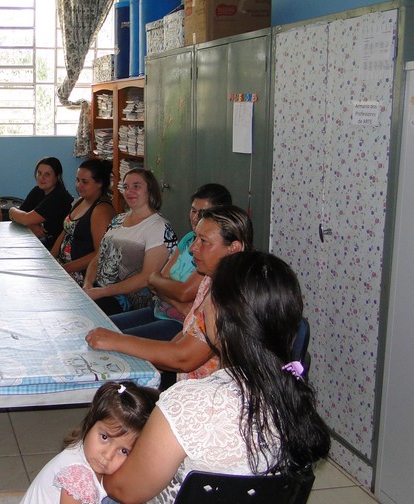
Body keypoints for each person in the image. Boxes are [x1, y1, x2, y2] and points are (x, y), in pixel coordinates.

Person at [103, 251, 331, 504]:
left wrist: (96, 469)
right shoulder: (296, 396)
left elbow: (125, 491)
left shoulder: (189, 402)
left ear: (221, 315)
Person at [86, 205, 253, 383]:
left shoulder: (233, 294)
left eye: (203, 241)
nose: (193, 248)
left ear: (233, 248)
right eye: (195, 238)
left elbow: (184, 358)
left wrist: (117, 340)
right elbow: (180, 341)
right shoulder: (210, 279)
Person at [109, 183, 232, 342]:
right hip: (159, 310)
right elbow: (154, 282)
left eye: (203, 213)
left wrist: (162, 284)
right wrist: (178, 303)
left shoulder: (213, 253)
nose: (195, 218)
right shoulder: (189, 239)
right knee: (105, 326)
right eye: (193, 210)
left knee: (119, 341)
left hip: (180, 323)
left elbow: (184, 292)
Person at [20, 381, 158, 504]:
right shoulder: (79, 476)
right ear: (91, 422)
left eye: (123, 451)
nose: (107, 456)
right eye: (105, 437)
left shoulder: (88, 449)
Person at [83, 168, 176, 316]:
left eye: (136, 186)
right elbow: (99, 256)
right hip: (100, 291)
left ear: (150, 190)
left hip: (129, 302)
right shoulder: (117, 220)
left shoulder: (158, 227)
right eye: (126, 187)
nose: (130, 191)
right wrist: (87, 283)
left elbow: (147, 277)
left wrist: (102, 292)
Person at [51, 159, 117, 286]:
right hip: (64, 267)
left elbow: (100, 253)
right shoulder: (81, 201)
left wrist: (66, 268)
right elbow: (65, 232)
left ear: (99, 183)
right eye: (77, 180)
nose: (78, 185)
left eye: (85, 182)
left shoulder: (102, 210)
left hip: (83, 275)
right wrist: (50, 259)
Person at [8, 157, 73, 250]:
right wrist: (30, 223)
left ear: (57, 177)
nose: (42, 178)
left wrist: (11, 210)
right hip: (41, 241)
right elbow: (19, 217)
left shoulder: (59, 196)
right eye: (39, 173)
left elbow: (24, 218)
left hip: (56, 247)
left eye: (47, 174)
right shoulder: (38, 190)